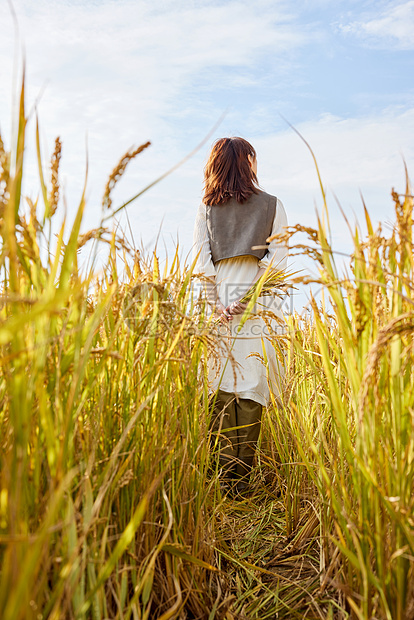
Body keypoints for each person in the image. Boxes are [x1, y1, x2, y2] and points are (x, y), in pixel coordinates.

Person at [193, 137, 288, 495]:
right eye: (254, 157)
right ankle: (242, 486)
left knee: (218, 381)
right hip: (259, 302)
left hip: (215, 304)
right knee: (251, 382)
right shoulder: (273, 205)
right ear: (247, 160)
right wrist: (247, 301)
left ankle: (221, 482)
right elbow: (277, 262)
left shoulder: (204, 208)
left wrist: (215, 305)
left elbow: (200, 263)